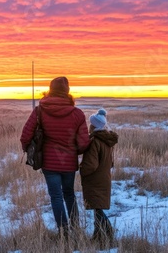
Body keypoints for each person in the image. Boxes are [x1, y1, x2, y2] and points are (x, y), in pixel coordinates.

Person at [20, 76, 90, 238]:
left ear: (50, 90)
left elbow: (26, 135)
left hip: (49, 164)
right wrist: (73, 151)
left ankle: (63, 233)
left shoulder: (40, 110)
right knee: (69, 194)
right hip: (69, 162)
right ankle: (76, 229)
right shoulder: (77, 114)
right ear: (67, 92)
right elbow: (83, 143)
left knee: (56, 196)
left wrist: (29, 150)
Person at [80, 109, 118, 248]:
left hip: (95, 180)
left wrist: (82, 170)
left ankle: (108, 233)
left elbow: (91, 164)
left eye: (90, 124)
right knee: (97, 209)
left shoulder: (95, 141)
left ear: (94, 126)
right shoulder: (107, 141)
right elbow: (110, 162)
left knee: (98, 210)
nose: (89, 126)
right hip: (104, 178)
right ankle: (98, 236)